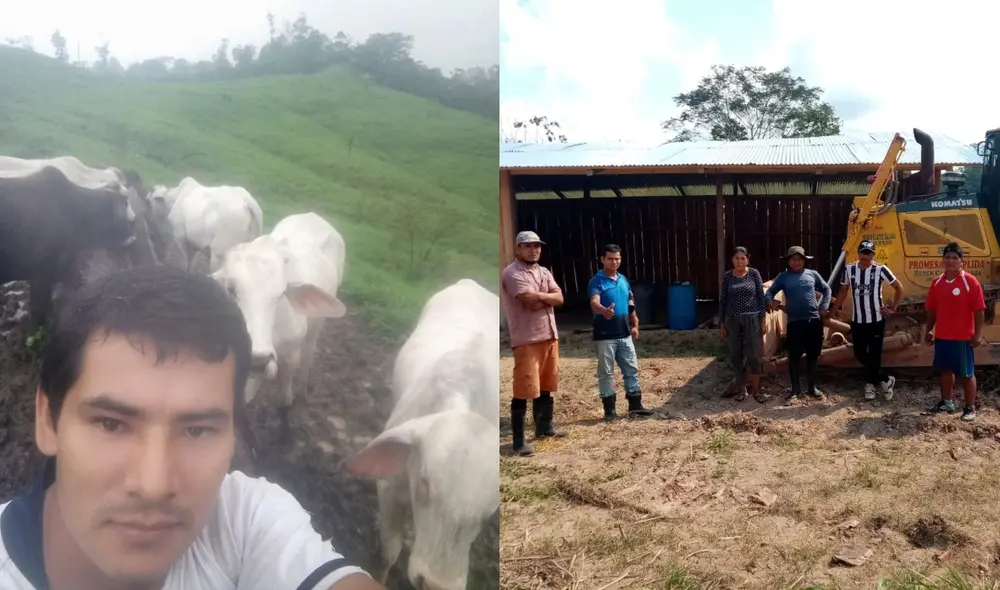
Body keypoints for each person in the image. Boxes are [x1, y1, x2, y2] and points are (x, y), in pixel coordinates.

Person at [0, 266, 379, 590]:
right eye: (111, 424)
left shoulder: (245, 522)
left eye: (197, 430)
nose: (153, 486)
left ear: (234, 432)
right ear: (47, 418)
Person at [501, 230, 567, 457]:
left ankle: (544, 427)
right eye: (528, 246)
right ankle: (518, 441)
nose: (534, 250)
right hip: (527, 339)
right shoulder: (511, 273)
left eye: (537, 246)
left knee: (546, 384)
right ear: (518, 249)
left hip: (549, 335)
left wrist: (540, 296)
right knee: (523, 388)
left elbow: (560, 298)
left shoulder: (544, 271)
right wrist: (546, 297)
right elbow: (528, 303)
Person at [587, 244, 654, 421]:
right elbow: (594, 302)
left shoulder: (623, 279)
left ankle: (635, 405)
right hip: (605, 336)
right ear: (602, 259)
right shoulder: (597, 281)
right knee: (606, 372)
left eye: (617, 258)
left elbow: (630, 302)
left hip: (624, 334)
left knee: (631, 369)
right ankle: (609, 410)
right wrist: (603, 310)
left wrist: (635, 321)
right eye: (610, 258)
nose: (614, 262)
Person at [831, 239, 904, 402]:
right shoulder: (849, 269)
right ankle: (885, 380)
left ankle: (870, 384)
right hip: (858, 320)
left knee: (875, 354)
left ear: (873, 254)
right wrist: (832, 312)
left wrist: (893, 307)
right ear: (858, 253)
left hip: (877, 319)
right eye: (863, 252)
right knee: (860, 352)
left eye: (868, 252)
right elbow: (843, 291)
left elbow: (899, 287)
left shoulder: (880, 269)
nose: (865, 255)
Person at [923, 242, 986, 421]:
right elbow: (932, 310)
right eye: (947, 257)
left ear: (961, 262)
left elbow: (979, 310)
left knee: (966, 373)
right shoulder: (937, 282)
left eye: (955, 258)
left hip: (962, 337)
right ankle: (947, 402)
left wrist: (977, 335)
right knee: (944, 370)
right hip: (942, 336)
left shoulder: (970, 281)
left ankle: (970, 408)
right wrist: (929, 330)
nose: (950, 261)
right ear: (942, 260)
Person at [765, 246, 833, 400]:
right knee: (794, 357)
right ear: (788, 261)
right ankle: (795, 390)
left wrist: (824, 307)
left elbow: (827, 289)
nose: (796, 262)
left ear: (804, 261)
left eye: (799, 259)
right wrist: (770, 301)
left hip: (813, 321)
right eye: (793, 259)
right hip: (795, 323)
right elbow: (769, 292)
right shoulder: (783, 277)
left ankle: (812, 388)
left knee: (813, 356)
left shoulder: (812, 274)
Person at [718, 246, 768, 402]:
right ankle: (741, 390)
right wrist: (722, 323)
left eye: (743, 258)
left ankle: (756, 390)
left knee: (754, 355)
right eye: (737, 258)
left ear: (748, 259)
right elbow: (723, 301)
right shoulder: (727, 277)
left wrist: (762, 320)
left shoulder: (754, 274)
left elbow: (761, 298)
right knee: (736, 355)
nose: (740, 261)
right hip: (732, 320)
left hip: (752, 319)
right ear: (732, 259)